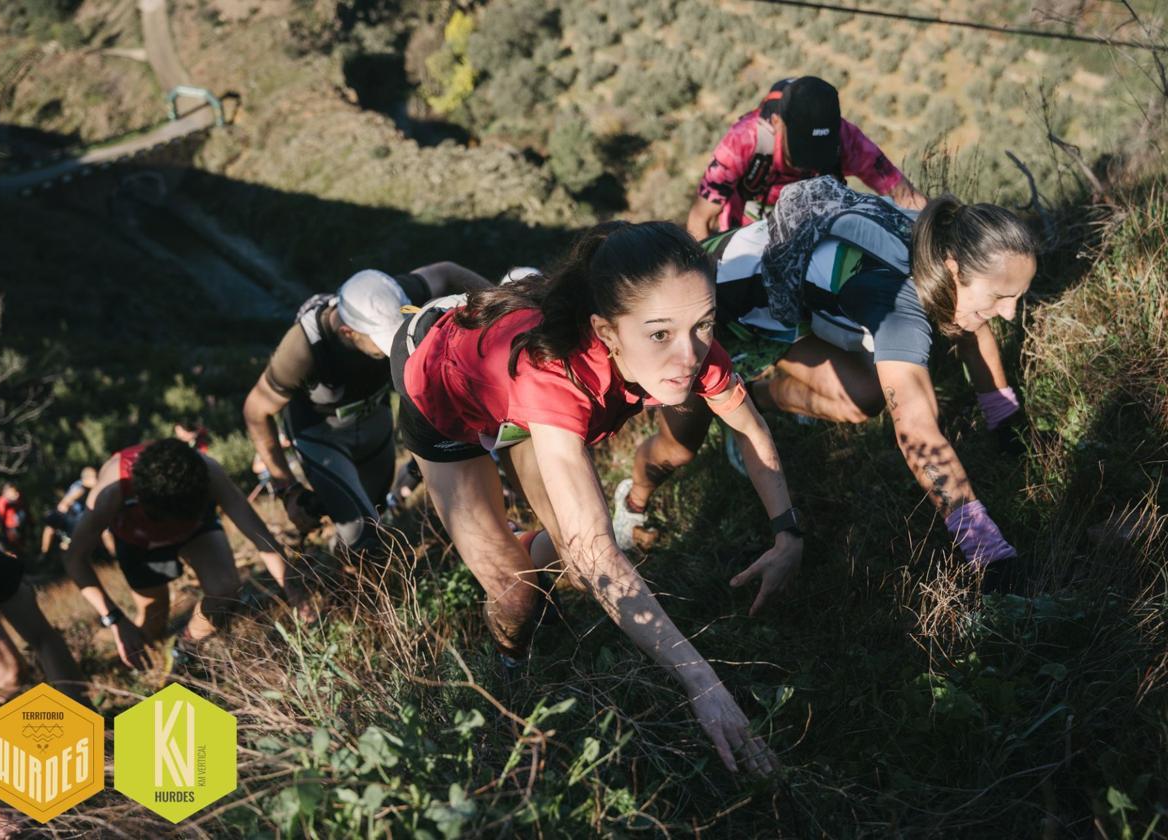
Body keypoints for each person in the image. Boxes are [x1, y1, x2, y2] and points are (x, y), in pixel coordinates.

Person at [392, 222, 803, 775]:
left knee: (580, 575)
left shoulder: (689, 346)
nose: (689, 354)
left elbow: (751, 433)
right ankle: (510, 671)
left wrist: (788, 533)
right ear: (607, 332)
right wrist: (702, 681)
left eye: (702, 324)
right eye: (659, 335)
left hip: (515, 397)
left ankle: (521, 550)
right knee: (518, 600)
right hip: (441, 386)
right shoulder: (554, 376)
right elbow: (599, 551)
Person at [621, 179, 1037, 592]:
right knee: (679, 448)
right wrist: (986, 549)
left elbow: (972, 326)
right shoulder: (897, 306)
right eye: (1000, 297)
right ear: (953, 268)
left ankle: (756, 400)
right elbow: (918, 435)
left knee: (863, 398)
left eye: (1016, 297)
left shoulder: (940, 235)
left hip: (785, 308)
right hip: (716, 312)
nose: (1009, 313)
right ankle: (631, 503)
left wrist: (1005, 419)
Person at [243, 262, 493, 552]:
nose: (389, 349)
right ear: (348, 332)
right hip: (322, 437)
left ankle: (339, 557)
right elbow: (255, 410)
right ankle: (353, 584)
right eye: (380, 344)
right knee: (365, 537)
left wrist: (502, 310)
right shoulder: (303, 347)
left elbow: (448, 272)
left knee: (373, 513)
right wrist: (287, 488)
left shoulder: (395, 295)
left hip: (376, 423)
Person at [62, 438, 313, 669]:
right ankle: (135, 665)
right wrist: (115, 619)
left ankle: (185, 649)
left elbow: (260, 537)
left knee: (226, 588)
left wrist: (296, 593)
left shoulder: (208, 472)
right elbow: (75, 560)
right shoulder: (110, 493)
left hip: (197, 531)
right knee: (153, 622)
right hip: (138, 541)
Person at [687, 76, 926, 242]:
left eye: (819, 152)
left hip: (809, 235)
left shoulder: (847, 139)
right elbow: (699, 220)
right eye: (801, 151)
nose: (809, 163)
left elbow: (906, 196)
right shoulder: (743, 141)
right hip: (744, 236)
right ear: (778, 124)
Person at [0, 542, 88, 715]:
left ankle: (85, 725)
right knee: (5, 674)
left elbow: (42, 636)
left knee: (9, 675)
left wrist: (84, 715)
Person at [39, 466, 115, 559]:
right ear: (87, 479)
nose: (97, 480)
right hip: (76, 521)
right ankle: (46, 553)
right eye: (95, 477)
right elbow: (65, 503)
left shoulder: (84, 487)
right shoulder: (80, 488)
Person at [0, 484, 25, 551]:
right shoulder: (2, 502)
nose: (16, 493)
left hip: (19, 526)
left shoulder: (15, 500)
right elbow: (2, 516)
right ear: (6, 492)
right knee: (17, 547)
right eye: (13, 491)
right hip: (10, 529)